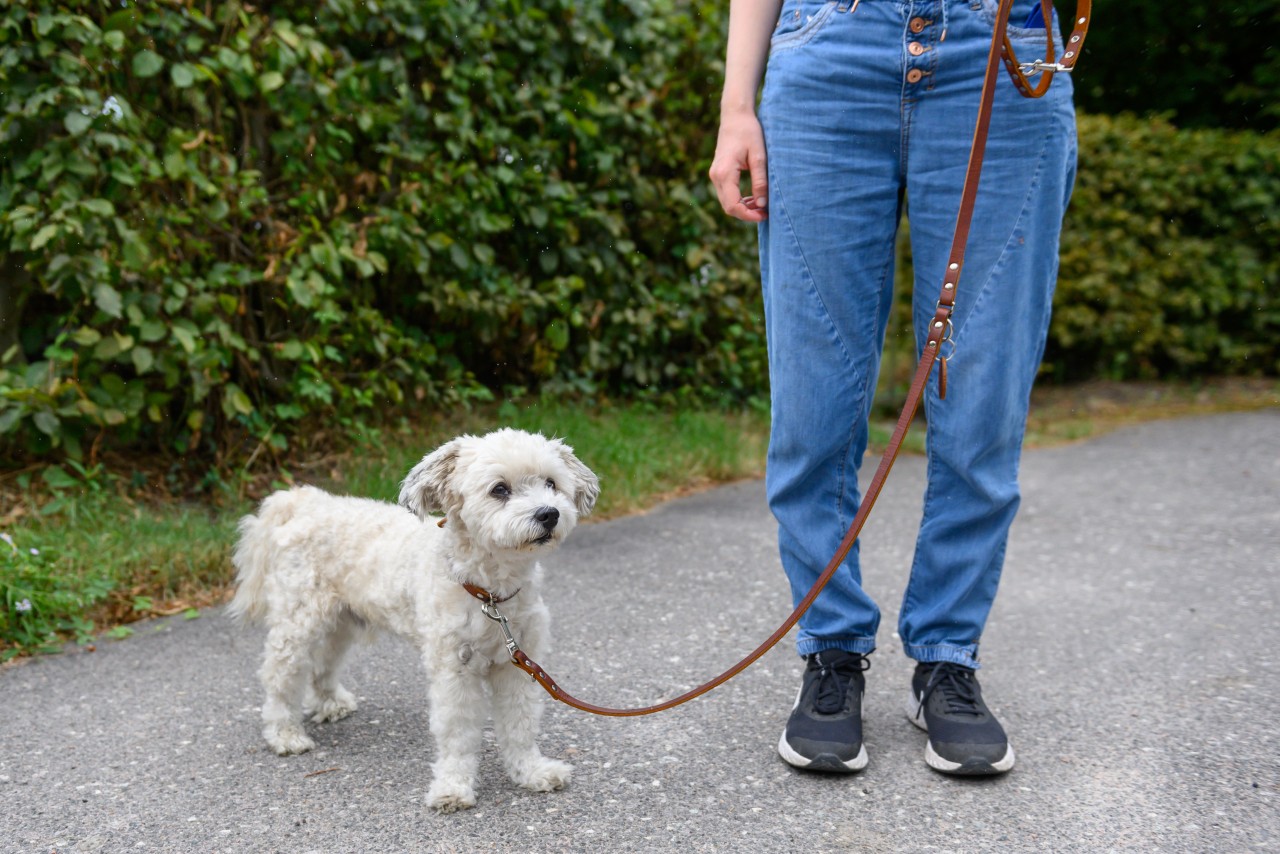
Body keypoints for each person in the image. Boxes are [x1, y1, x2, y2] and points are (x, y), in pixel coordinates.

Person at [709, 0, 1076, 775]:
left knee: (982, 398)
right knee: (814, 403)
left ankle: (947, 656)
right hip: (828, 50)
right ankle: (831, 653)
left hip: (1001, 58)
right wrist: (736, 104)